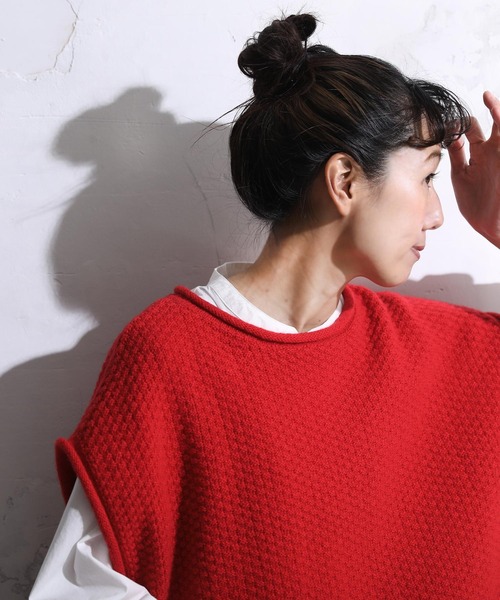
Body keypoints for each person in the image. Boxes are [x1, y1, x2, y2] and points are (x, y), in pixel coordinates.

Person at [30, 13, 500, 600]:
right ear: (345, 181)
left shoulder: (446, 352)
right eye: (428, 178)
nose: (437, 214)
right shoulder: (170, 357)